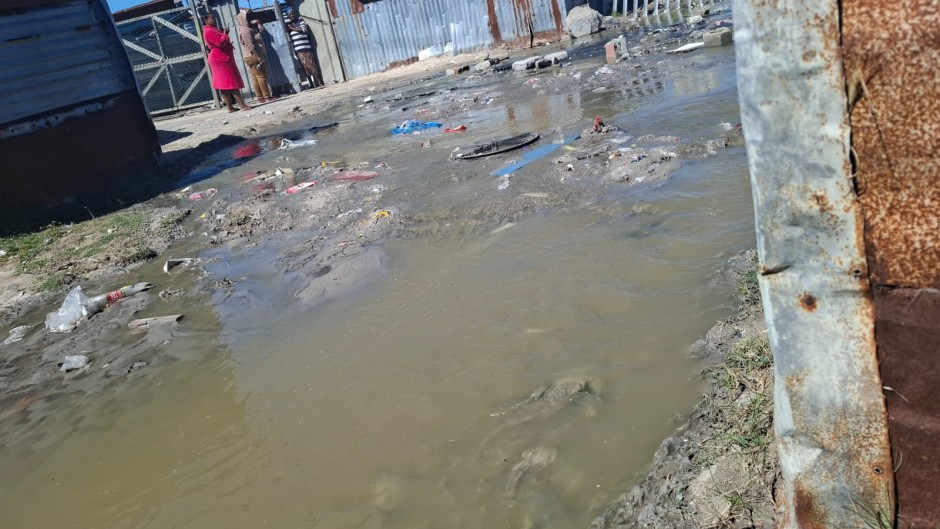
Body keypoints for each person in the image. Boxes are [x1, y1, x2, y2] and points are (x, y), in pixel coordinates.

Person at [202, 13, 250, 112]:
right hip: (220, 59)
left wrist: (223, 33)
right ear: (206, 20)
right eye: (212, 18)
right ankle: (242, 105)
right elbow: (220, 43)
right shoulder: (208, 31)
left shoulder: (212, 29)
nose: (215, 20)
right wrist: (225, 34)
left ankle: (230, 107)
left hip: (221, 58)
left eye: (215, 18)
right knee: (231, 82)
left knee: (224, 84)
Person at [236, 9, 276, 103]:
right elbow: (250, 45)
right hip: (253, 55)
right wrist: (258, 56)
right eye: (247, 17)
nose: (249, 19)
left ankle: (260, 97)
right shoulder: (246, 30)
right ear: (243, 19)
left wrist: (258, 23)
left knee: (256, 77)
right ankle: (267, 96)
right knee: (261, 76)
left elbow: (259, 33)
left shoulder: (246, 29)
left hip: (249, 56)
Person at [286, 11, 323, 89]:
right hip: (298, 50)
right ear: (288, 16)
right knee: (305, 67)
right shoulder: (289, 25)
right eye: (290, 15)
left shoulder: (300, 21)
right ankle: (311, 84)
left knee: (312, 65)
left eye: (293, 14)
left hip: (306, 48)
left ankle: (319, 82)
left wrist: (292, 28)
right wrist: (291, 27)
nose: (292, 16)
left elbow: (303, 30)